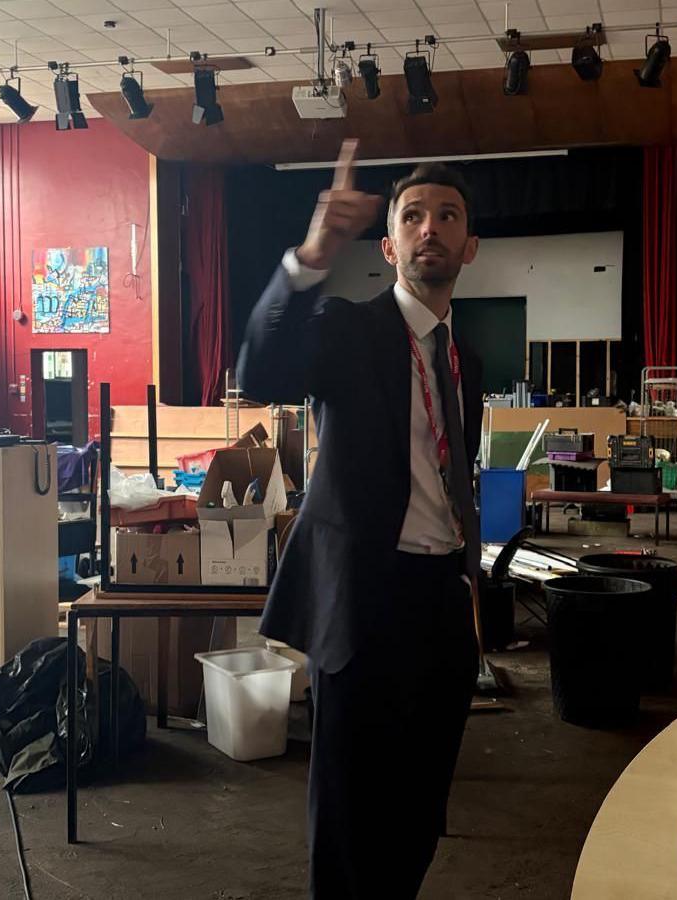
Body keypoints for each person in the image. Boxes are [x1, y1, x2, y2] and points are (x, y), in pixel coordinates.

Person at [236, 140, 484, 899]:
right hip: (364, 601)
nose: (430, 228)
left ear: (469, 247)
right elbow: (260, 371)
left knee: (419, 805)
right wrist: (315, 252)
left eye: (447, 216)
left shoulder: (460, 356)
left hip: (440, 603)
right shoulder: (349, 330)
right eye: (413, 216)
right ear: (390, 243)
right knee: (349, 815)